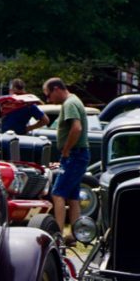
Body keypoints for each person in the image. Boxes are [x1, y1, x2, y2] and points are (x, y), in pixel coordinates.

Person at [43, 77, 89, 244]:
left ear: (57, 89)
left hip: (75, 154)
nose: (49, 100)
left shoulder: (69, 104)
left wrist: (67, 149)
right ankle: (76, 234)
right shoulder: (74, 101)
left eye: (48, 95)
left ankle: (58, 234)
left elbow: (76, 128)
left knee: (57, 193)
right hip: (78, 154)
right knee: (73, 196)